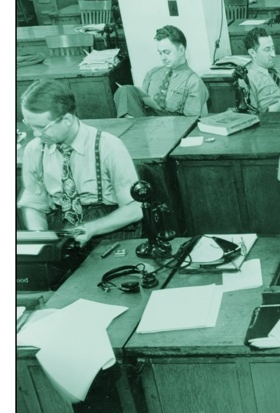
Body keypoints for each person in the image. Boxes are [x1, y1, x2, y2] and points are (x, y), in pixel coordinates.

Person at [18, 79, 143, 247]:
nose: (36, 134)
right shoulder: (35, 150)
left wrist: (91, 228)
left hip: (109, 231)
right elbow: (34, 204)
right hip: (61, 230)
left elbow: (134, 209)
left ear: (67, 119)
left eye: (42, 127)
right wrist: (42, 239)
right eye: (30, 125)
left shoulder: (108, 146)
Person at [114, 25, 208, 118]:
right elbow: (140, 104)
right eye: (160, 53)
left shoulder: (194, 82)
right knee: (125, 90)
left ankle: (132, 128)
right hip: (146, 122)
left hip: (174, 126)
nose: (163, 58)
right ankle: (131, 126)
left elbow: (190, 121)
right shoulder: (153, 73)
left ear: (181, 50)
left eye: (167, 52)